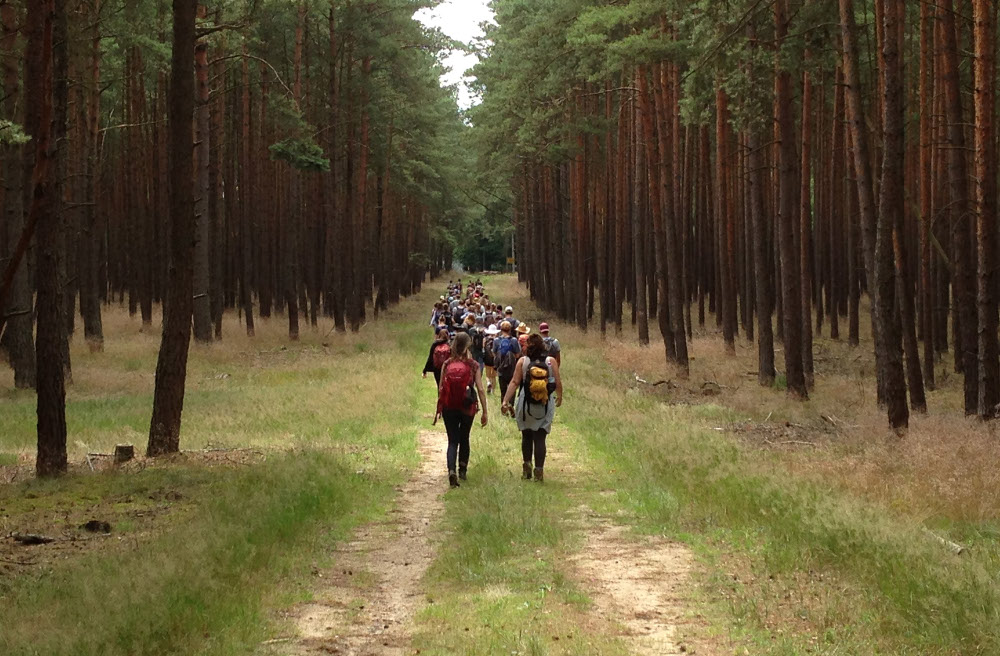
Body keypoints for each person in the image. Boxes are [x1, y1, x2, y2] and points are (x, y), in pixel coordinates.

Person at [501, 333, 562, 483]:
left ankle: (527, 468)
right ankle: (539, 472)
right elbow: (558, 381)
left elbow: (515, 382)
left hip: (525, 402)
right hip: (544, 403)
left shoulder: (523, 361)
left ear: (528, 346)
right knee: (540, 438)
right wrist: (560, 396)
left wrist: (505, 401)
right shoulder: (550, 361)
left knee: (526, 435)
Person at [436, 332, 488, 488]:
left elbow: (440, 388)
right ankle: (463, 470)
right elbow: (480, 389)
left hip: (449, 406)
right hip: (467, 406)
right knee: (464, 437)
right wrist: (485, 411)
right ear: (467, 346)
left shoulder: (447, 363)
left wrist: (440, 406)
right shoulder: (473, 365)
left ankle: (451, 470)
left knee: (452, 440)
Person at [493, 321, 521, 402]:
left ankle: (503, 406)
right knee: (512, 387)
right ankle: (511, 405)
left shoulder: (496, 340)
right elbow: (517, 354)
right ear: (510, 330)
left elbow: (494, 353)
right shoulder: (514, 340)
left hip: (501, 368)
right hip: (511, 368)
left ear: (501, 330)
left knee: (503, 390)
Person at [483, 324, 499, 393]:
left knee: (487, 374)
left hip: (487, 358)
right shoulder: (497, 339)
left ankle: (488, 382)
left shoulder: (485, 339)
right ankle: (493, 390)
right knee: (494, 376)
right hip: (495, 358)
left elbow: (483, 347)